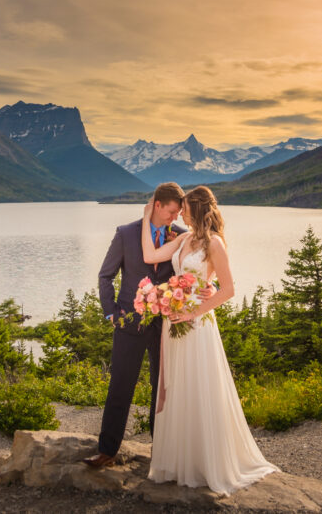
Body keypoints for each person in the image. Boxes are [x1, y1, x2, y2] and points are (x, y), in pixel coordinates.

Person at [142, 185, 278, 494]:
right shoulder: (182, 238)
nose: (181, 212)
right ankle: (180, 463)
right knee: (178, 388)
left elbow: (227, 289)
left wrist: (192, 312)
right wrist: (145, 216)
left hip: (198, 325)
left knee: (199, 387)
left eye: (186, 207)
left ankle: (205, 464)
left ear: (198, 209)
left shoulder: (214, 243)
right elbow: (149, 254)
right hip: (173, 324)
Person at [83, 182, 188, 468]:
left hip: (164, 326)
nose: (174, 218)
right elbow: (106, 276)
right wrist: (111, 313)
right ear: (157, 205)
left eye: (178, 213)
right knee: (120, 386)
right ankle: (106, 451)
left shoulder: (180, 236)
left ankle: (161, 452)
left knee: (161, 388)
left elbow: (190, 274)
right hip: (128, 323)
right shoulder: (126, 233)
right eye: (171, 212)